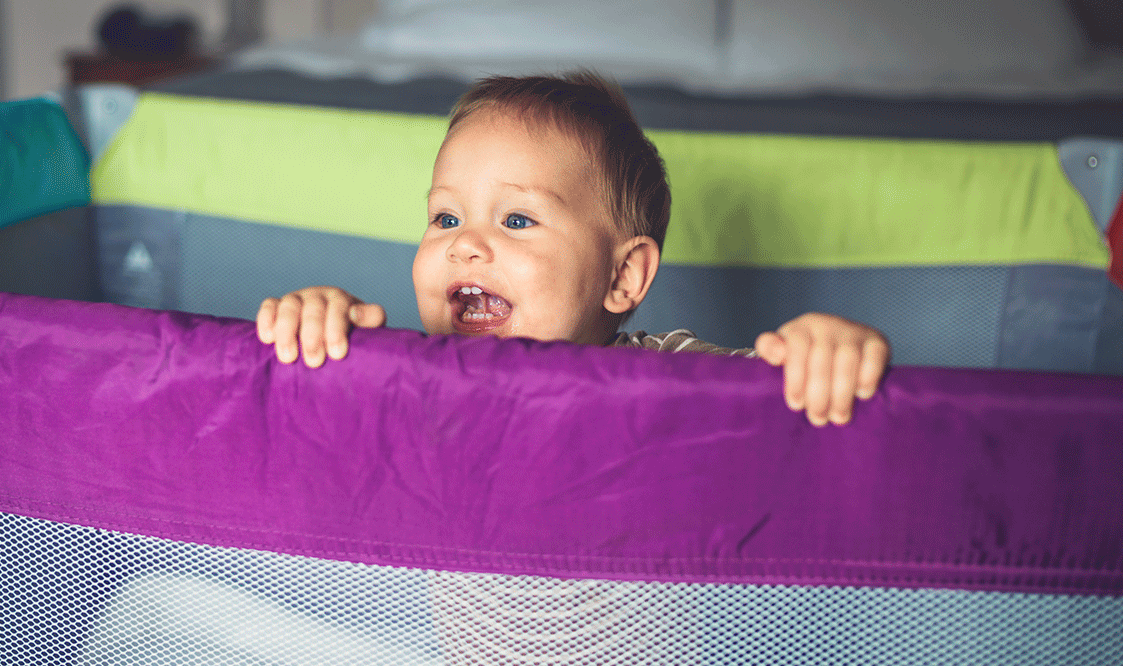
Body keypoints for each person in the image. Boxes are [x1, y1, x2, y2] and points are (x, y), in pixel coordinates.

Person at [257, 71, 889, 426]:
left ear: (623, 275)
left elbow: (774, 417)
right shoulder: (411, 379)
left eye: (517, 220)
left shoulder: (668, 378)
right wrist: (319, 334)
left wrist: (820, 357)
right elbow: (318, 438)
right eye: (445, 215)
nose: (466, 243)